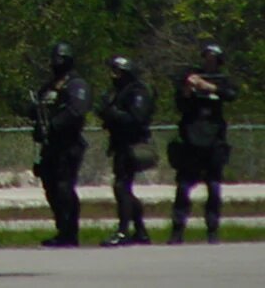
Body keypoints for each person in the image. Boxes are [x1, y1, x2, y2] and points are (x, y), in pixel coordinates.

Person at [168, 43, 238, 245]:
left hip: (214, 141)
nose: (209, 62)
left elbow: (231, 94)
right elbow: (180, 104)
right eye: (207, 58)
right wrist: (188, 88)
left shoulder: (222, 81)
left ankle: (212, 230)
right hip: (191, 141)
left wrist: (209, 87)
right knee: (183, 187)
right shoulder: (192, 77)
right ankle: (177, 230)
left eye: (213, 59)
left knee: (214, 187)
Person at [26, 42, 91, 247]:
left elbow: (76, 111)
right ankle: (62, 229)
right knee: (51, 187)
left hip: (69, 144)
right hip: (50, 146)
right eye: (54, 59)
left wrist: (53, 125)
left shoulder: (76, 84)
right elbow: (37, 109)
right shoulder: (50, 86)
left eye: (60, 59)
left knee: (64, 187)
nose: (56, 63)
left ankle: (70, 232)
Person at [95, 56, 155, 246]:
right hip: (120, 145)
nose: (113, 76)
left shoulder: (138, 91)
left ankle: (123, 231)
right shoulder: (118, 92)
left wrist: (113, 113)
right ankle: (140, 231)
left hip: (133, 145)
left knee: (121, 187)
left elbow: (136, 118)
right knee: (123, 188)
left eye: (117, 72)